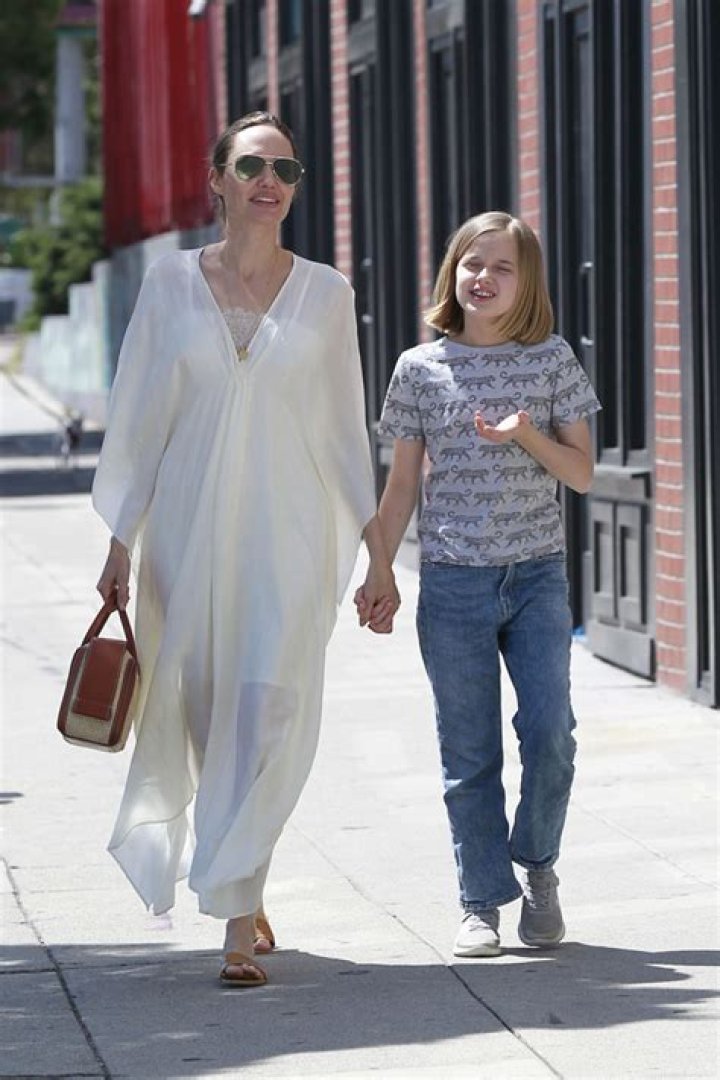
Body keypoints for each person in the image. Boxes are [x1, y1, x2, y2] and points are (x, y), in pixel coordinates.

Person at [93, 111, 398, 987]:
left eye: (286, 170)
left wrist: (378, 554)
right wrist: (120, 542)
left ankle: (234, 913)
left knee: (266, 707)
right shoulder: (169, 283)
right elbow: (139, 416)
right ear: (217, 179)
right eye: (254, 166)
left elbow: (344, 432)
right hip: (185, 529)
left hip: (287, 531)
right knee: (201, 709)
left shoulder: (327, 293)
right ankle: (244, 876)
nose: (271, 182)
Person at [356, 211, 600, 957]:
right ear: (451, 274)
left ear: (526, 283)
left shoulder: (552, 358)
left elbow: (581, 474)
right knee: (469, 755)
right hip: (453, 582)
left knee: (551, 735)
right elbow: (401, 486)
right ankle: (481, 904)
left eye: (501, 267)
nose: (483, 278)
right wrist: (379, 568)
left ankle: (538, 864)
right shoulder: (418, 367)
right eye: (471, 263)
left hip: (535, 579)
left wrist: (526, 433)